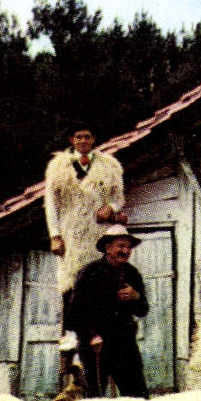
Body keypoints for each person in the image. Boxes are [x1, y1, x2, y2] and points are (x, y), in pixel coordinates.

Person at [43, 125, 126, 355]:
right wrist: (55, 235)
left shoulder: (108, 166)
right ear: (72, 139)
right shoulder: (58, 167)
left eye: (87, 137)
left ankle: (97, 331)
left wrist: (110, 207)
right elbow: (51, 204)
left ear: (93, 139)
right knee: (70, 280)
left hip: (97, 232)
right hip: (70, 231)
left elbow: (119, 198)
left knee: (96, 281)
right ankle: (70, 332)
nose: (82, 141)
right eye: (78, 137)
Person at [67, 224, 149, 399]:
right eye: (121, 246)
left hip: (124, 345)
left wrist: (136, 296)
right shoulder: (89, 273)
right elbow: (74, 314)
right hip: (96, 346)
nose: (125, 251)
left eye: (128, 247)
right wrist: (91, 336)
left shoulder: (132, 274)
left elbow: (143, 311)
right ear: (108, 247)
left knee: (138, 398)